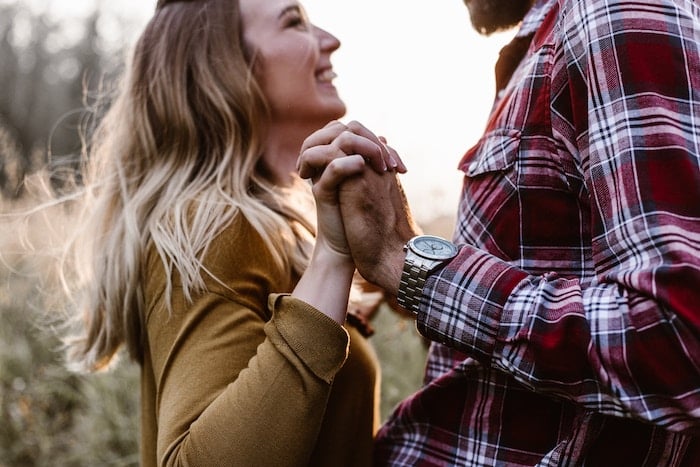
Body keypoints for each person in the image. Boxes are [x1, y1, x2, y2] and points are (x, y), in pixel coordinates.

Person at [298, 0, 700, 464]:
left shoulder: (613, 15)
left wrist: (405, 262)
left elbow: (675, 336)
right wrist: (406, 251)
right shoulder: (554, 42)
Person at [58, 0, 403, 465]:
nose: (329, 39)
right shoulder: (214, 227)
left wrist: (393, 240)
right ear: (226, 68)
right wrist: (333, 258)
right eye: (293, 21)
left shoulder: (276, 225)